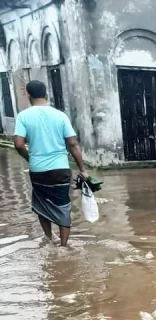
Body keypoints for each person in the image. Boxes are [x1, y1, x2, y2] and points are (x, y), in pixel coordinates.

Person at [13, 80, 88, 247]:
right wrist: (82, 169)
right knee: (63, 203)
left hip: (38, 169)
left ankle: (48, 238)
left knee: (41, 203)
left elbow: (18, 144)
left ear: (29, 96)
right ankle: (63, 245)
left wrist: (29, 157)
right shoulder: (60, 115)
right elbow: (73, 144)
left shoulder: (23, 116)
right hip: (60, 168)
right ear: (46, 95)